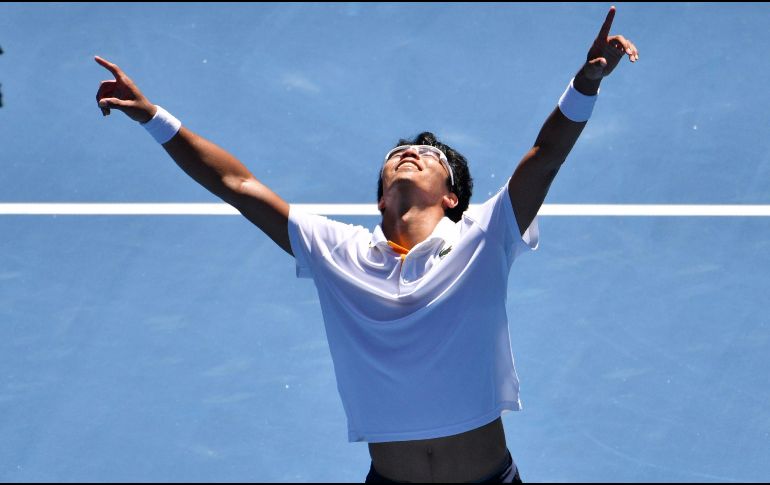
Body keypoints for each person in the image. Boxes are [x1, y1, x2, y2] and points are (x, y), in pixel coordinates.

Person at [95, 6, 637, 483]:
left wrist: (585, 84)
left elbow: (545, 155)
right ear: (381, 198)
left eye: (430, 159)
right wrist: (152, 116)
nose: (409, 154)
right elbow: (235, 185)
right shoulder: (334, 249)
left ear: (452, 198)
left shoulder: (486, 234)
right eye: (397, 154)